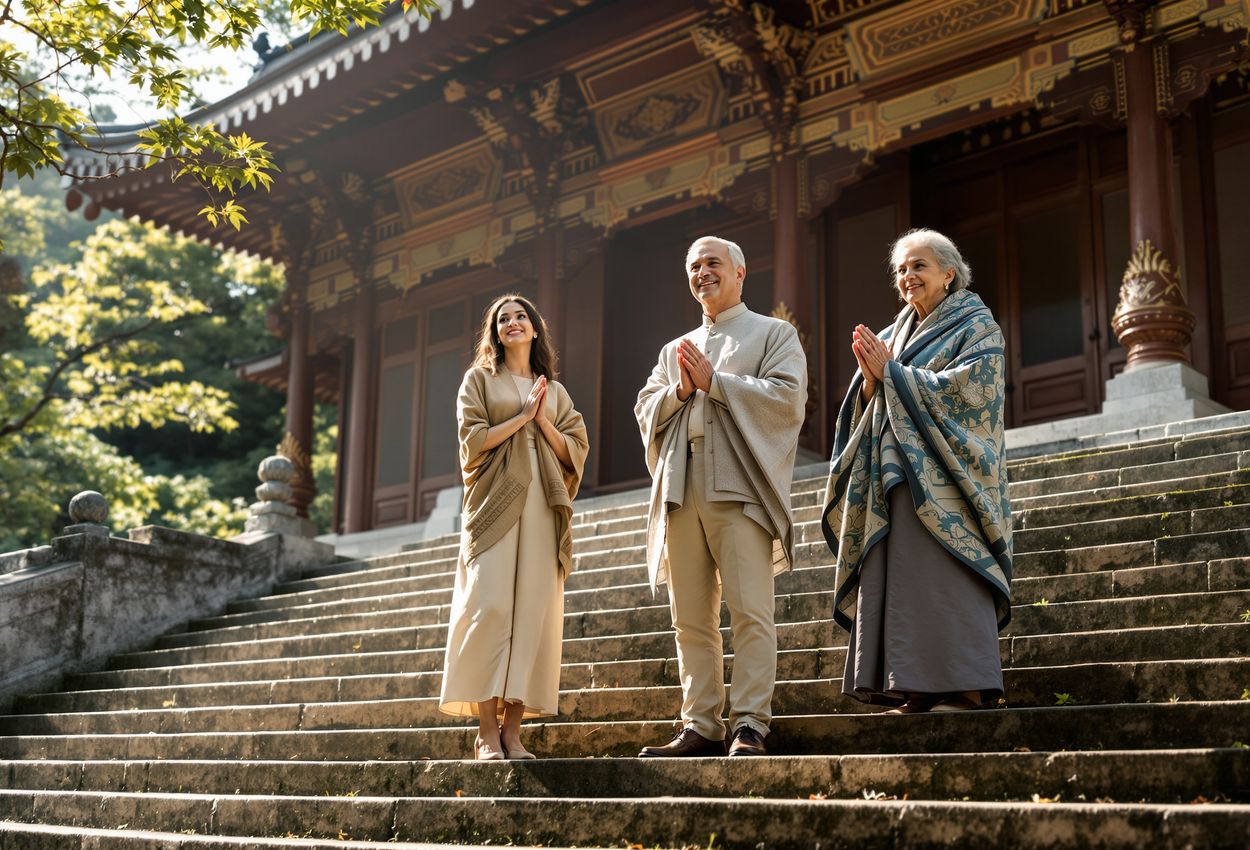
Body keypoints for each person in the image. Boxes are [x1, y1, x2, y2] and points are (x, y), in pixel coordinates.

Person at [821, 228, 1013, 715]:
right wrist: (869, 383)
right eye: (901, 269)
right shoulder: (891, 336)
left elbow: (975, 393)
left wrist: (894, 375)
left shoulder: (977, 323)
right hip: (896, 475)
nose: (908, 276)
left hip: (949, 476)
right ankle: (915, 687)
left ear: (949, 273)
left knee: (947, 575)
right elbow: (865, 407)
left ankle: (966, 688)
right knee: (902, 577)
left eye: (919, 266)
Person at [634, 236, 807, 757]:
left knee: (750, 609)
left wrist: (717, 383)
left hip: (738, 483)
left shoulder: (774, 333)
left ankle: (751, 722)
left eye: (713, 263)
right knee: (689, 616)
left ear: (740, 271)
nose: (702, 272)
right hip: (680, 486)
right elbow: (645, 408)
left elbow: (787, 396)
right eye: (693, 266)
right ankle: (701, 723)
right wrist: (682, 390)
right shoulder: (674, 349)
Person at [439, 293, 588, 759]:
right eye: (503, 319)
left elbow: (575, 451)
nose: (513, 323)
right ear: (495, 332)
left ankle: (513, 731)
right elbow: (472, 441)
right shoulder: (478, 380)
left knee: (532, 615)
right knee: (491, 610)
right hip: (494, 506)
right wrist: (521, 417)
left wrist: (541, 421)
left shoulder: (556, 393)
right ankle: (485, 731)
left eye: (521, 316)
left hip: (543, 506)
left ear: (535, 328)